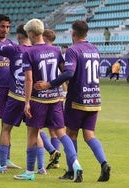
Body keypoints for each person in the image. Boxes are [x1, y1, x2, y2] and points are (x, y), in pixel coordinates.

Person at [36, 20, 111, 182]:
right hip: (94, 98)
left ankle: (71, 171)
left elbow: (69, 73)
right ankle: (104, 163)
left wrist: (49, 84)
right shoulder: (94, 49)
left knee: (71, 134)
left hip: (78, 99)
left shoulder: (73, 50)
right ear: (87, 33)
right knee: (90, 134)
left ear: (73, 34)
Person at [13, 18, 83, 182]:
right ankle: (76, 165)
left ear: (30, 33)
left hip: (38, 100)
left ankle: (29, 172)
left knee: (32, 133)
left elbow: (29, 80)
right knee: (61, 133)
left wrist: (27, 102)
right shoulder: (56, 50)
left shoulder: (28, 53)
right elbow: (64, 73)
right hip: (55, 98)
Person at [0, 20, 30, 173]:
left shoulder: (12, 44)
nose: (5, 29)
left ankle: (6, 158)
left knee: (6, 125)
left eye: (8, 26)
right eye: (2, 26)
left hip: (11, 89)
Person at [41, 29, 63, 169]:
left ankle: (52, 151)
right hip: (57, 94)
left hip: (42, 94)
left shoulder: (39, 51)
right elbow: (63, 73)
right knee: (54, 129)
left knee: (35, 128)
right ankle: (55, 160)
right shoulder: (57, 51)